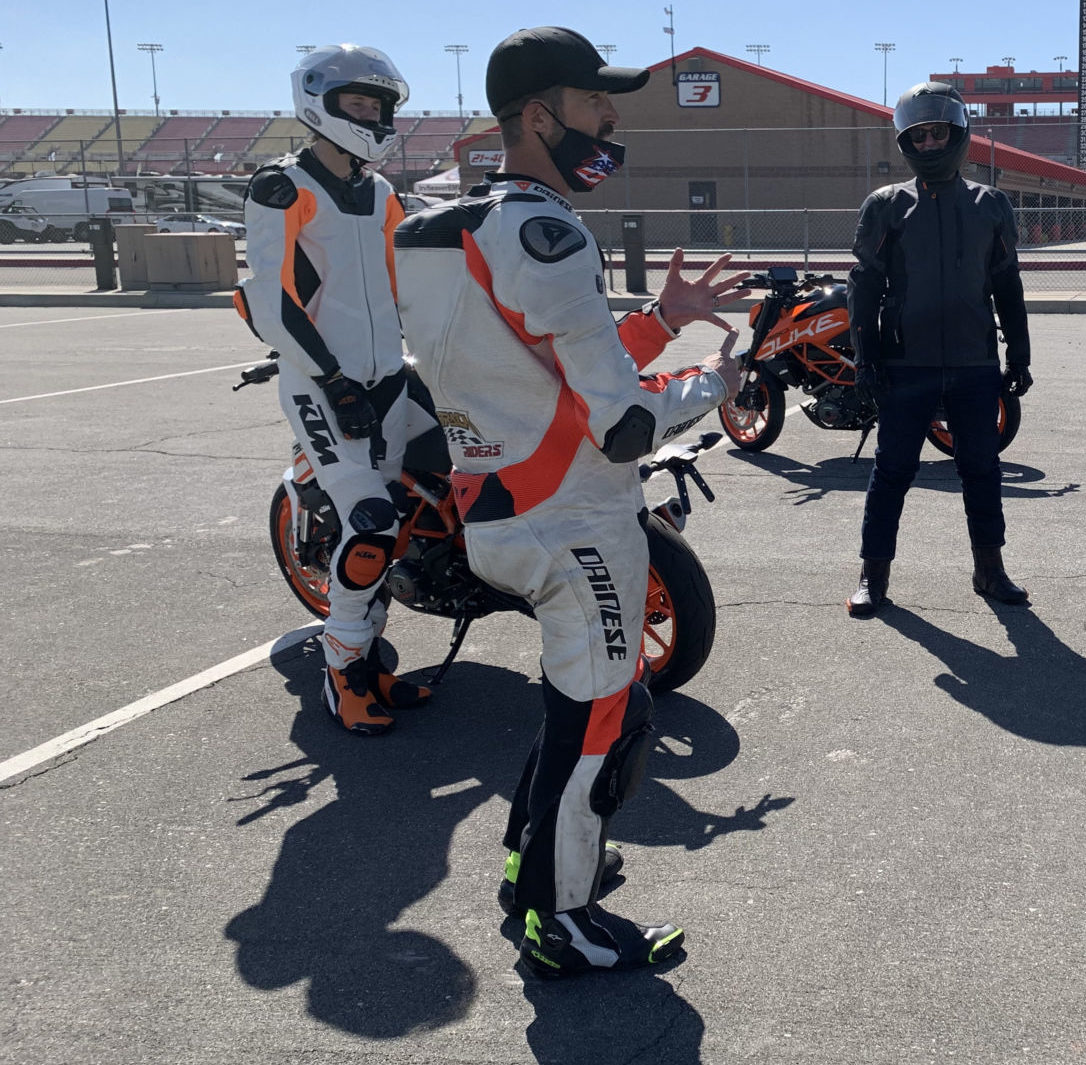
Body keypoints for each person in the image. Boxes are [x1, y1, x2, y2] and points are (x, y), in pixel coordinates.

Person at [391, 26, 745, 978]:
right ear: (540, 115)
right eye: (597, 104)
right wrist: (720, 378)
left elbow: (527, 366)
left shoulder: (446, 226)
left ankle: (528, 872)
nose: (611, 120)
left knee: (570, 714)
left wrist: (657, 319)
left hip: (498, 505)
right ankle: (566, 922)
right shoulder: (547, 231)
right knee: (606, 724)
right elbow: (623, 426)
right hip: (573, 519)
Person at [236, 45, 444, 736]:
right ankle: (343, 671)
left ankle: (374, 663)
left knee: (446, 479)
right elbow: (270, 301)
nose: (371, 116)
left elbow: (405, 277)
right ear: (318, 102)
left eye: (378, 107)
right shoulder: (280, 186)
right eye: (358, 104)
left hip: (390, 375)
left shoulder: (380, 192)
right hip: (322, 383)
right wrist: (331, 378)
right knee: (372, 524)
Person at [845, 81, 1033, 617]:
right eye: (918, 136)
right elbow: (864, 286)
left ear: (958, 133)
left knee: (982, 470)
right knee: (892, 473)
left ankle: (990, 570)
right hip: (908, 365)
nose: (928, 143)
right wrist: (867, 359)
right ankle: (872, 575)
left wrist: (1018, 354)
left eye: (937, 133)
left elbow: (1007, 285)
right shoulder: (885, 205)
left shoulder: (991, 204)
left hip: (975, 362)